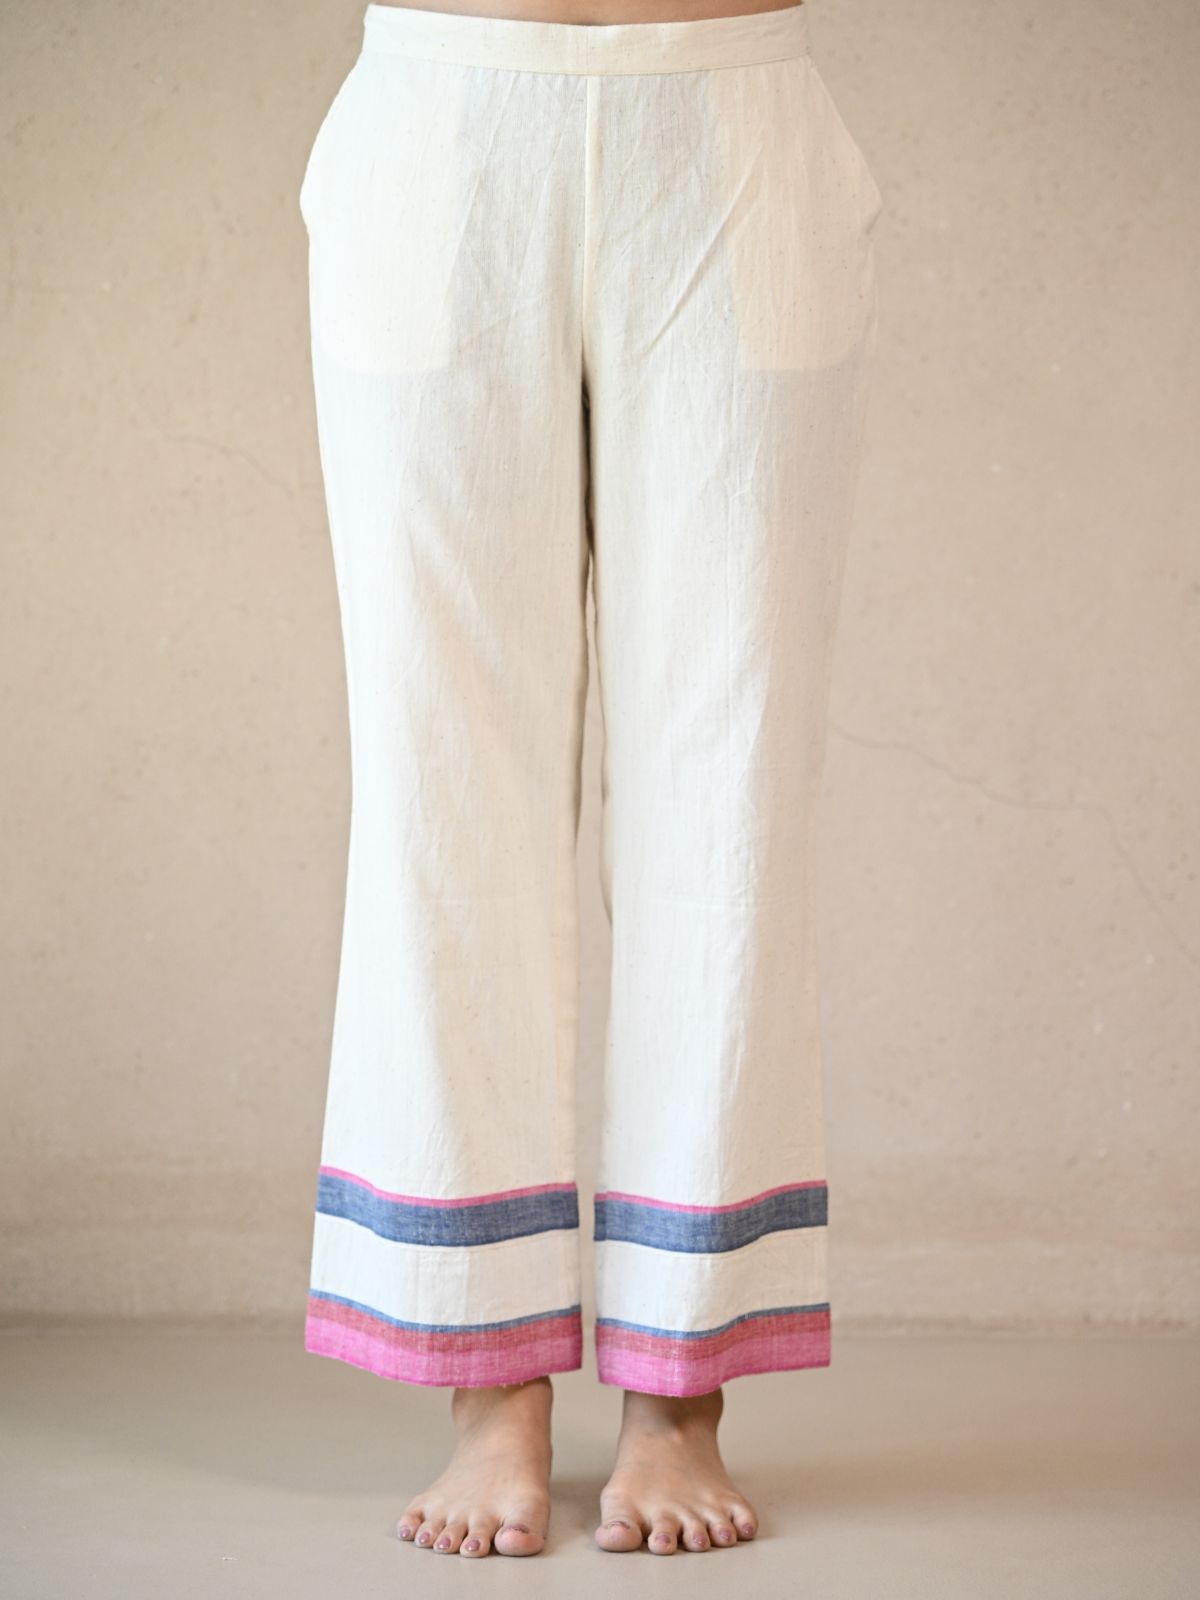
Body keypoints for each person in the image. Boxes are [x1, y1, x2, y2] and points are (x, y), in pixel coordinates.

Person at [298, 0, 883, 1559]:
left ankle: (681, 1388)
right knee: (438, 785)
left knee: (730, 786)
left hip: (735, 125)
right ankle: (486, 1376)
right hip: (445, 115)